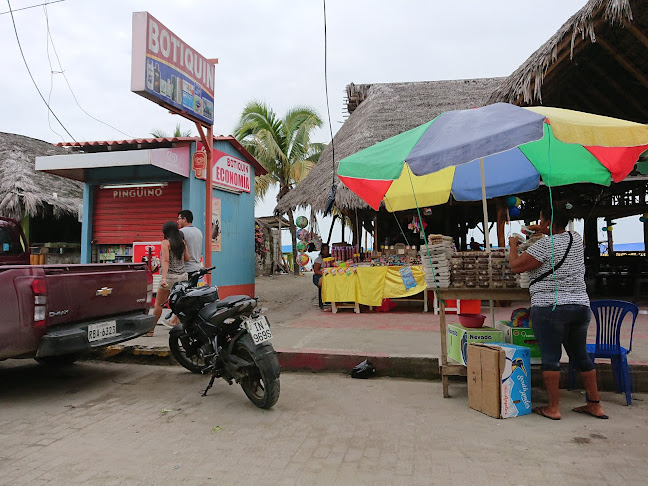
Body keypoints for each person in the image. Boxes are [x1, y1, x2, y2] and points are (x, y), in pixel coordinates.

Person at [508, 200, 607, 420]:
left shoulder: (545, 246)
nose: (539, 223)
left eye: (541, 219)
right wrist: (540, 229)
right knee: (580, 355)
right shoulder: (576, 238)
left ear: (547, 221)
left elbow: (515, 266)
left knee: (551, 357)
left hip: (550, 307)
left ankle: (553, 407)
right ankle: (595, 404)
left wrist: (513, 245)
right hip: (580, 306)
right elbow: (557, 237)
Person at [148, 221, 190, 336]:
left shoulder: (165, 243)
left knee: (159, 304)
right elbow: (187, 258)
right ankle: (185, 330)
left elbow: (165, 261)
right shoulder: (182, 242)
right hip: (182, 277)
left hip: (170, 277)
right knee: (181, 304)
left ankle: (151, 330)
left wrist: (163, 278)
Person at [177, 210, 203, 279]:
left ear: (184, 219)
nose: (177, 221)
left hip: (186, 269)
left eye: (178, 219)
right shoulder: (199, 231)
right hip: (197, 268)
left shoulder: (181, 232)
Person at [312, 243, 330, 309]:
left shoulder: (330, 258)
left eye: (327, 249)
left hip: (328, 275)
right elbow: (316, 271)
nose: (327, 251)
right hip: (319, 276)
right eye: (325, 249)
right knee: (324, 282)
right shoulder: (318, 260)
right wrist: (325, 274)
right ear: (322, 250)